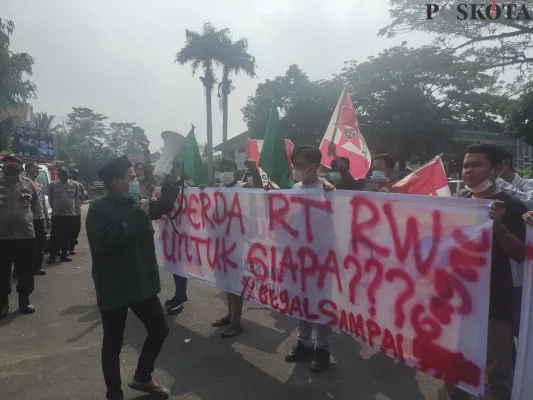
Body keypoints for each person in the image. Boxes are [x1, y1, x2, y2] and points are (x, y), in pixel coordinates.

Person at [86, 155, 180, 400]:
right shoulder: (98, 208)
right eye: (132, 177)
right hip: (114, 285)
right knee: (113, 343)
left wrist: (173, 180)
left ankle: (142, 377)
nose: (136, 181)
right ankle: (114, 394)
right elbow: (102, 243)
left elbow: (160, 208)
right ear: (117, 182)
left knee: (159, 329)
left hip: (140, 283)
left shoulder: (137, 199)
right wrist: (134, 218)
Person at [447, 143, 526, 400]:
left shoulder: (512, 206)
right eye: (466, 165)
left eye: (476, 164)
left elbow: (521, 254)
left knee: (497, 371)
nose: (468, 170)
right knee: (455, 362)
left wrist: (499, 226)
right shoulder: (460, 203)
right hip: (458, 297)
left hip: (495, 300)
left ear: (496, 169)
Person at [284, 145, 335, 373]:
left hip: (321, 260)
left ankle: (322, 349)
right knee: (300, 301)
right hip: (297, 258)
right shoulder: (295, 188)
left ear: (314, 166)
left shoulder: (327, 190)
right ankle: (304, 343)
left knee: (321, 304)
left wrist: (331, 196)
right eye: (294, 164)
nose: (296, 168)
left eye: (301, 165)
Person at [210, 158, 262, 338]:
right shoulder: (218, 190)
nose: (224, 172)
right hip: (221, 243)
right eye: (221, 169)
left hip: (237, 244)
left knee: (235, 282)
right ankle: (230, 314)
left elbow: (259, 192)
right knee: (226, 281)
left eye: (228, 169)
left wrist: (254, 172)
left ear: (235, 171)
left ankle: (235, 322)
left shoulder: (243, 187)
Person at [0, 156, 37, 318]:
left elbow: (34, 204)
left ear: (19, 167)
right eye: (7, 165)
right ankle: (2, 304)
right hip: (2, 236)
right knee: (2, 272)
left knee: (26, 270)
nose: (10, 168)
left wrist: (25, 218)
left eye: (13, 165)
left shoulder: (29, 184)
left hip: (26, 235)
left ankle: (24, 300)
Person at [47, 168, 79, 264]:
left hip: (70, 215)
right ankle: (52, 256)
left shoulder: (74, 184)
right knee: (55, 236)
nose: (64, 175)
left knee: (67, 236)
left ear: (68, 175)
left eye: (66, 174)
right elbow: (50, 198)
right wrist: (55, 208)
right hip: (57, 215)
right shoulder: (53, 184)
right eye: (62, 174)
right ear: (59, 175)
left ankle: (64, 255)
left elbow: (76, 197)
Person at [26, 163, 49, 275]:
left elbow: (43, 204)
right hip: (27, 219)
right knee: (25, 245)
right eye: (35, 168)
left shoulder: (39, 186)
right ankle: (18, 269)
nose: (37, 171)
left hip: (39, 218)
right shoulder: (22, 184)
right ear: (28, 169)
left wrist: (47, 218)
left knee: (39, 244)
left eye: (37, 169)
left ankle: (37, 266)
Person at [68, 168, 85, 255]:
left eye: (77, 174)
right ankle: (65, 247)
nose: (76, 176)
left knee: (76, 229)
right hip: (67, 212)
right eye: (74, 174)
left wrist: (79, 204)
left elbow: (82, 198)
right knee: (67, 230)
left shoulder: (80, 186)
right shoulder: (66, 184)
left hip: (76, 211)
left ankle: (72, 246)